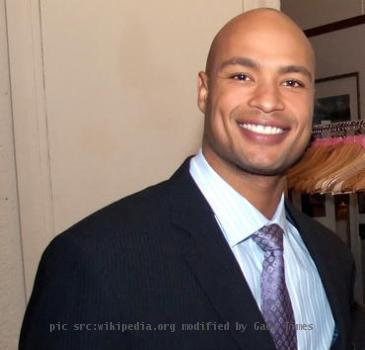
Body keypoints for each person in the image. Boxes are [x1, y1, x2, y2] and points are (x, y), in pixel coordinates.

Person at [19, 8, 356, 350]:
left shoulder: (333, 259)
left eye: (292, 82)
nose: (268, 100)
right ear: (204, 91)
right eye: (241, 76)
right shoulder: (94, 262)